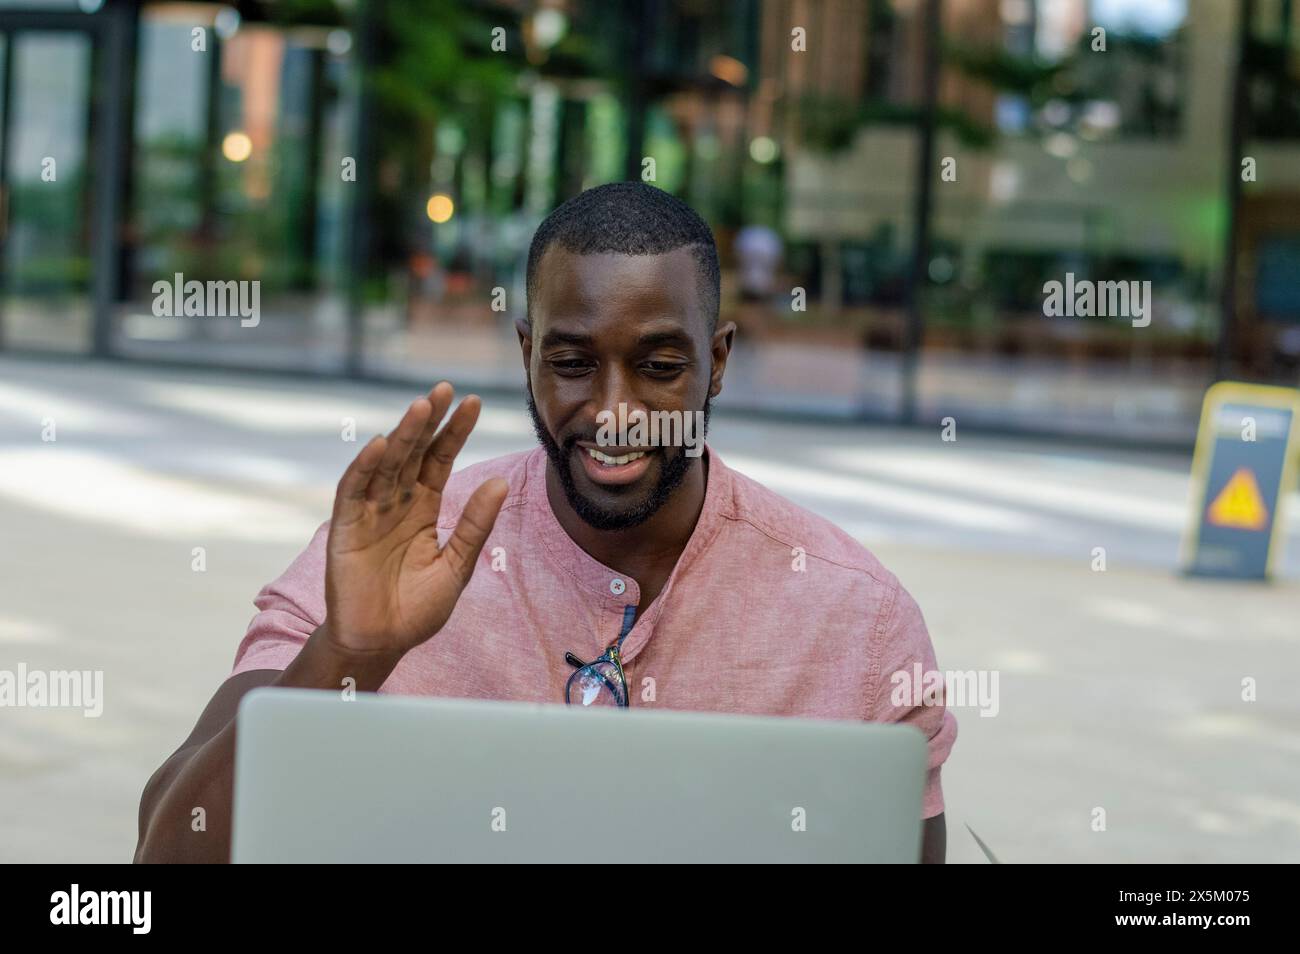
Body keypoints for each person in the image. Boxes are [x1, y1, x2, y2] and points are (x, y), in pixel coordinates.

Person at [134, 181, 956, 863]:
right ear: (527, 353)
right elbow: (164, 858)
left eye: (661, 367)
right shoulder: (390, 557)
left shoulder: (858, 621)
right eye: (570, 364)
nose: (613, 411)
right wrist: (349, 655)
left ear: (719, 363)